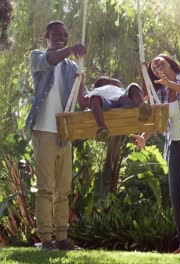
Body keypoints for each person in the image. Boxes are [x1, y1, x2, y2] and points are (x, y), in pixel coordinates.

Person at [131, 54, 180, 255]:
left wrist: (171, 83)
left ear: (170, 62)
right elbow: (159, 122)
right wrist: (143, 137)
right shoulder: (161, 95)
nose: (156, 64)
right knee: (175, 196)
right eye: (153, 66)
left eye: (159, 60)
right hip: (176, 148)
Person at [24, 20, 87, 251]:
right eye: (55, 34)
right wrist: (70, 50)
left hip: (64, 132)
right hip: (43, 130)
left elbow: (82, 98)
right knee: (45, 188)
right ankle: (46, 239)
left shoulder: (72, 67)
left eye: (64, 35)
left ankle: (62, 238)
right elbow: (50, 60)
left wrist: (104, 99)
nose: (60, 37)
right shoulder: (38, 56)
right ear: (46, 36)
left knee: (63, 189)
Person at [79, 76, 152, 141]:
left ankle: (143, 108)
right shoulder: (96, 91)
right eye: (109, 83)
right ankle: (102, 128)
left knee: (133, 86)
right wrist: (80, 81)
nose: (112, 84)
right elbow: (83, 101)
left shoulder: (121, 90)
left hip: (122, 99)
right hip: (105, 102)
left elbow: (138, 93)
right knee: (95, 99)